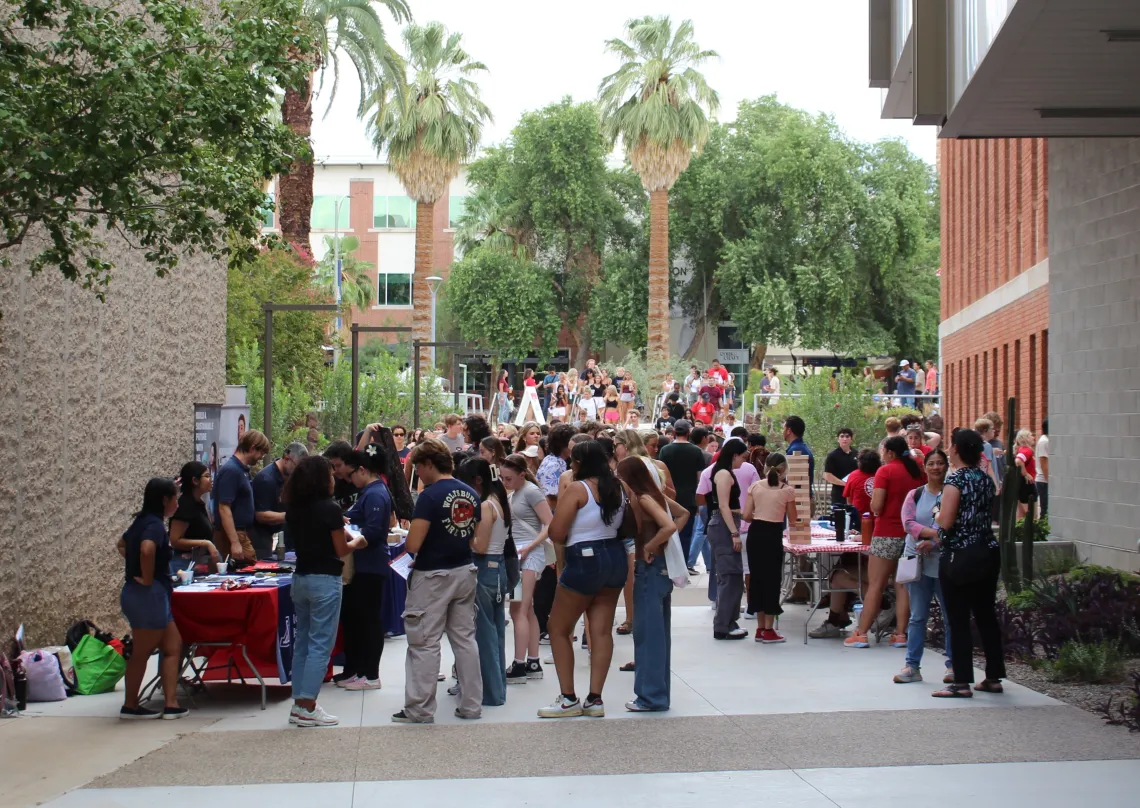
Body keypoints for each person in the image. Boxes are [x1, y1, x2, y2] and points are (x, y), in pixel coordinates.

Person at [393, 439, 483, 723]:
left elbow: (413, 544)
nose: (418, 473)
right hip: (464, 570)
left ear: (429, 464)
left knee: (424, 642)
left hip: (432, 575)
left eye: (418, 467)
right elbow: (473, 536)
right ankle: (471, 704)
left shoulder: (430, 497)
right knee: (465, 639)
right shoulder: (470, 494)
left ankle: (419, 708)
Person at [538, 441, 628, 718]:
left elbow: (557, 531)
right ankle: (595, 699)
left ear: (579, 462)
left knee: (558, 628)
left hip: (585, 557)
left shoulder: (579, 488)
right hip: (615, 556)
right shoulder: (618, 487)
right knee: (601, 631)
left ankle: (568, 698)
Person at [284, 455, 364, 727]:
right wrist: (358, 542)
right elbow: (341, 549)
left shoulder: (294, 507)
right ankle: (308, 705)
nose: (333, 479)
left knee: (303, 643)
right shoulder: (328, 509)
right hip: (325, 579)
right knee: (321, 644)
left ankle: (299, 703)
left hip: (301, 577)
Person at [934, 429, 1005, 698]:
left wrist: (937, 513)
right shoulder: (986, 480)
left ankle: (961, 681)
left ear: (956, 450)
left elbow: (947, 520)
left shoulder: (956, 480)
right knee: (986, 616)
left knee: (958, 617)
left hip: (959, 554)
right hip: (986, 550)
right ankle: (994, 676)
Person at [617, 456, 688, 712]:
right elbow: (682, 515)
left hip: (649, 569)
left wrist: (651, 544)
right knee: (658, 635)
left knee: (648, 636)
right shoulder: (653, 494)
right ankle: (657, 693)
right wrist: (662, 544)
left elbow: (669, 524)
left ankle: (650, 696)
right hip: (659, 569)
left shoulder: (643, 498)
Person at [117, 477, 188, 720]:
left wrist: (135, 565)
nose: (177, 504)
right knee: (142, 651)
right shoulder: (155, 526)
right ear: (165, 500)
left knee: (172, 645)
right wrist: (146, 576)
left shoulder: (140, 521)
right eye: (175, 498)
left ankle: (171, 704)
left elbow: (122, 544)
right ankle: (130, 705)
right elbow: (147, 549)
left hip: (142, 594)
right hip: (149, 594)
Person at [844, 436, 920, 649]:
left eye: (883, 450)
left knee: (875, 585)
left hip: (886, 532)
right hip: (909, 535)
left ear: (890, 453)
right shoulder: (916, 472)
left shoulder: (885, 472)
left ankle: (861, 633)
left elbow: (876, 505)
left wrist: (874, 506)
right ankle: (901, 634)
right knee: (902, 585)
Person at [335, 447, 394, 691]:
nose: (349, 481)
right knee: (358, 620)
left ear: (362, 470)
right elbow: (353, 517)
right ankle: (358, 669)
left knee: (369, 621)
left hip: (371, 566)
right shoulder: (368, 493)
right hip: (362, 566)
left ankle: (371, 674)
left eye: (350, 475)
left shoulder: (376, 494)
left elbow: (371, 533)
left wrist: (346, 541)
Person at [455, 457, 513, 707]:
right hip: (497, 567)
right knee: (496, 632)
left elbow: (480, 545)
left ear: (477, 481)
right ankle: (497, 689)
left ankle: (490, 692)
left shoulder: (487, 507)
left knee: (485, 635)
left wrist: (462, 534)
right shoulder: (500, 502)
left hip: (484, 568)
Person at [895, 448, 954, 684]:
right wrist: (930, 535)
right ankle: (912, 666)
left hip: (943, 562)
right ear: (925, 467)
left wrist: (933, 541)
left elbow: (952, 525)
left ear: (946, 466)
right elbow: (908, 523)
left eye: (940, 463)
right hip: (917, 562)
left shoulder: (950, 495)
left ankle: (953, 665)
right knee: (917, 615)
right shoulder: (915, 495)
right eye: (932, 463)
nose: (936, 467)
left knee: (951, 617)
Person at [809, 449, 883, 638]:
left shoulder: (856, 477)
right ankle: (841, 614)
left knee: (838, 576)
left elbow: (850, 504)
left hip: (865, 533)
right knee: (841, 572)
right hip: (880, 536)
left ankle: (877, 607)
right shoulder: (883, 476)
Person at [501, 454, 552, 684]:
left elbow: (550, 524)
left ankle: (520, 664)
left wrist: (529, 547)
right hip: (523, 553)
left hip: (527, 554)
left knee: (518, 610)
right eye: (502, 478)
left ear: (522, 474)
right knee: (526, 609)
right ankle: (532, 661)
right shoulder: (519, 491)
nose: (505, 482)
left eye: (508, 478)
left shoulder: (530, 491)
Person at [742, 453, 800, 643]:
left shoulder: (755, 486)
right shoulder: (787, 491)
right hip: (773, 534)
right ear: (784, 469)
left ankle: (760, 628)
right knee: (772, 580)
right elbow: (793, 518)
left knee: (757, 579)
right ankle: (769, 628)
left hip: (756, 533)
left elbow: (746, 515)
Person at [706, 440, 750, 639]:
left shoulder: (725, 472)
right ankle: (723, 625)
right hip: (725, 525)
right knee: (730, 576)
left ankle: (729, 622)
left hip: (728, 523)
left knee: (733, 576)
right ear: (735, 455)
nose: (744, 461)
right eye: (743, 456)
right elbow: (723, 506)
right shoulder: (723, 474)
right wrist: (734, 533)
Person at [212, 429, 270, 564]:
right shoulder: (232, 471)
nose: (261, 457)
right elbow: (224, 508)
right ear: (252, 448)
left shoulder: (241, 470)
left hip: (242, 533)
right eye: (261, 452)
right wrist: (235, 542)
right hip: (234, 534)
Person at [251, 442, 307, 559]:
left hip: (278, 531)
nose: (298, 473)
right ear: (287, 459)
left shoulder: (289, 477)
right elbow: (260, 515)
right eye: (297, 468)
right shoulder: (266, 479)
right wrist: (291, 516)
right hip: (258, 535)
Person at [169, 462, 222, 572]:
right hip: (184, 567)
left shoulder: (199, 503)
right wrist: (206, 543)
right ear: (195, 480)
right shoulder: (184, 505)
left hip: (199, 564)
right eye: (207, 476)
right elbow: (175, 540)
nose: (211, 480)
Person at [823, 428, 858, 507]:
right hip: (839, 494)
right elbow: (827, 475)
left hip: (854, 493)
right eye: (842, 436)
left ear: (851, 439)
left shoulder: (857, 454)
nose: (844, 439)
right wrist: (845, 484)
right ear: (837, 439)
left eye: (847, 436)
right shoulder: (833, 455)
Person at [324, 440, 361, 511]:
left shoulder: (362, 483)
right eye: (332, 466)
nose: (335, 471)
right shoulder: (331, 484)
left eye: (338, 465)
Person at [783, 416, 814, 493]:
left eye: (783, 428)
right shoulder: (802, 447)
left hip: (799, 500)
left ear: (789, 431)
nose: (782, 431)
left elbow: (794, 482)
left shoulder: (795, 451)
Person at [1014, 428, 1038, 518]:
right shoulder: (1027, 450)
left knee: (1021, 515)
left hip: (1021, 484)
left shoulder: (1020, 449)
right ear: (1025, 438)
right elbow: (1018, 461)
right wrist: (1026, 474)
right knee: (1032, 516)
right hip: (1027, 485)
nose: (1033, 437)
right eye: (1031, 435)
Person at [1036, 418, 1050, 516]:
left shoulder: (1046, 440)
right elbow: (1043, 462)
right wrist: (1049, 479)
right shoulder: (1044, 441)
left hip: (1044, 479)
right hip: (1043, 480)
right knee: (1045, 508)